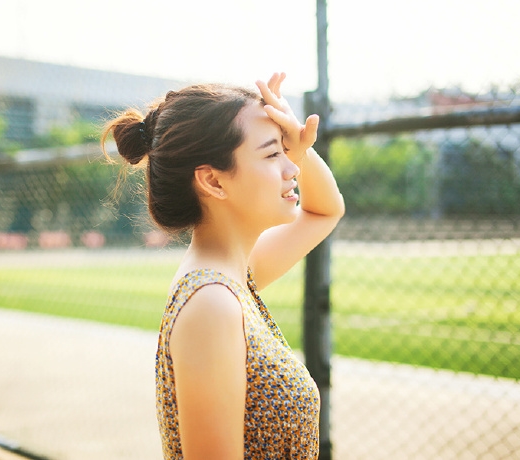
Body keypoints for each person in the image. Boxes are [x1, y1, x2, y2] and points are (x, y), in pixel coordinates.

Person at [102, 73, 344, 460]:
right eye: (271, 154)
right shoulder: (211, 303)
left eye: (285, 152)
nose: (292, 168)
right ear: (213, 181)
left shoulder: (231, 275)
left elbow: (325, 210)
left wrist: (297, 148)